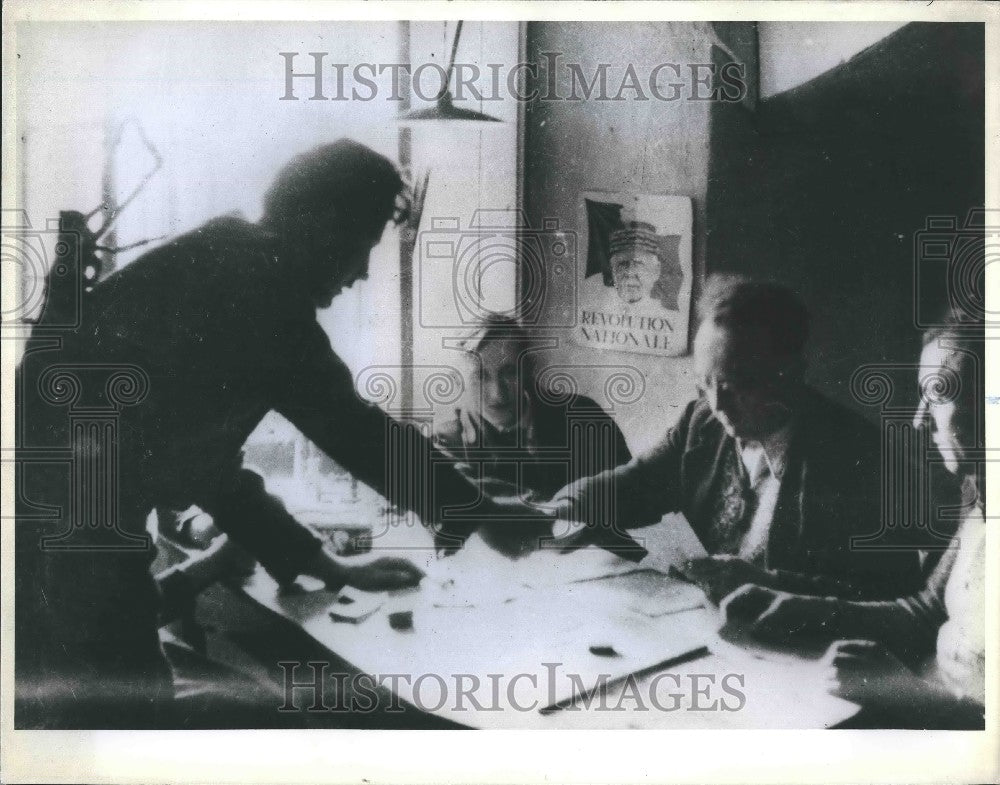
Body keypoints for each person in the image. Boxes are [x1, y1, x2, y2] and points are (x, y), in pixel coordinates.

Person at [14, 139, 541, 728]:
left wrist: (328, 565)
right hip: (61, 547)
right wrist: (476, 511)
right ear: (322, 227)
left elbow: (206, 466)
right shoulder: (259, 290)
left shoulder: (225, 258)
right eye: (361, 247)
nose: (362, 274)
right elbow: (352, 428)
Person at [548, 275, 923, 603]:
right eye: (704, 384)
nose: (717, 403)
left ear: (789, 372)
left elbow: (888, 592)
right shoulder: (702, 422)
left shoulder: (857, 455)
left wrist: (769, 584)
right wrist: (562, 508)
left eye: (735, 385)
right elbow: (635, 481)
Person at [720, 313, 985, 729]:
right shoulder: (983, 502)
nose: (919, 419)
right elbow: (925, 611)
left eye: (937, 395)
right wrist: (788, 601)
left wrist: (907, 694)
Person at [433, 314, 634, 556]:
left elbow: (630, 496)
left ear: (528, 370)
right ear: (458, 380)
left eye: (509, 373)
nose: (497, 394)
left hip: (598, 562)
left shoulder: (584, 417)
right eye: (480, 376)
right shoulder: (448, 441)